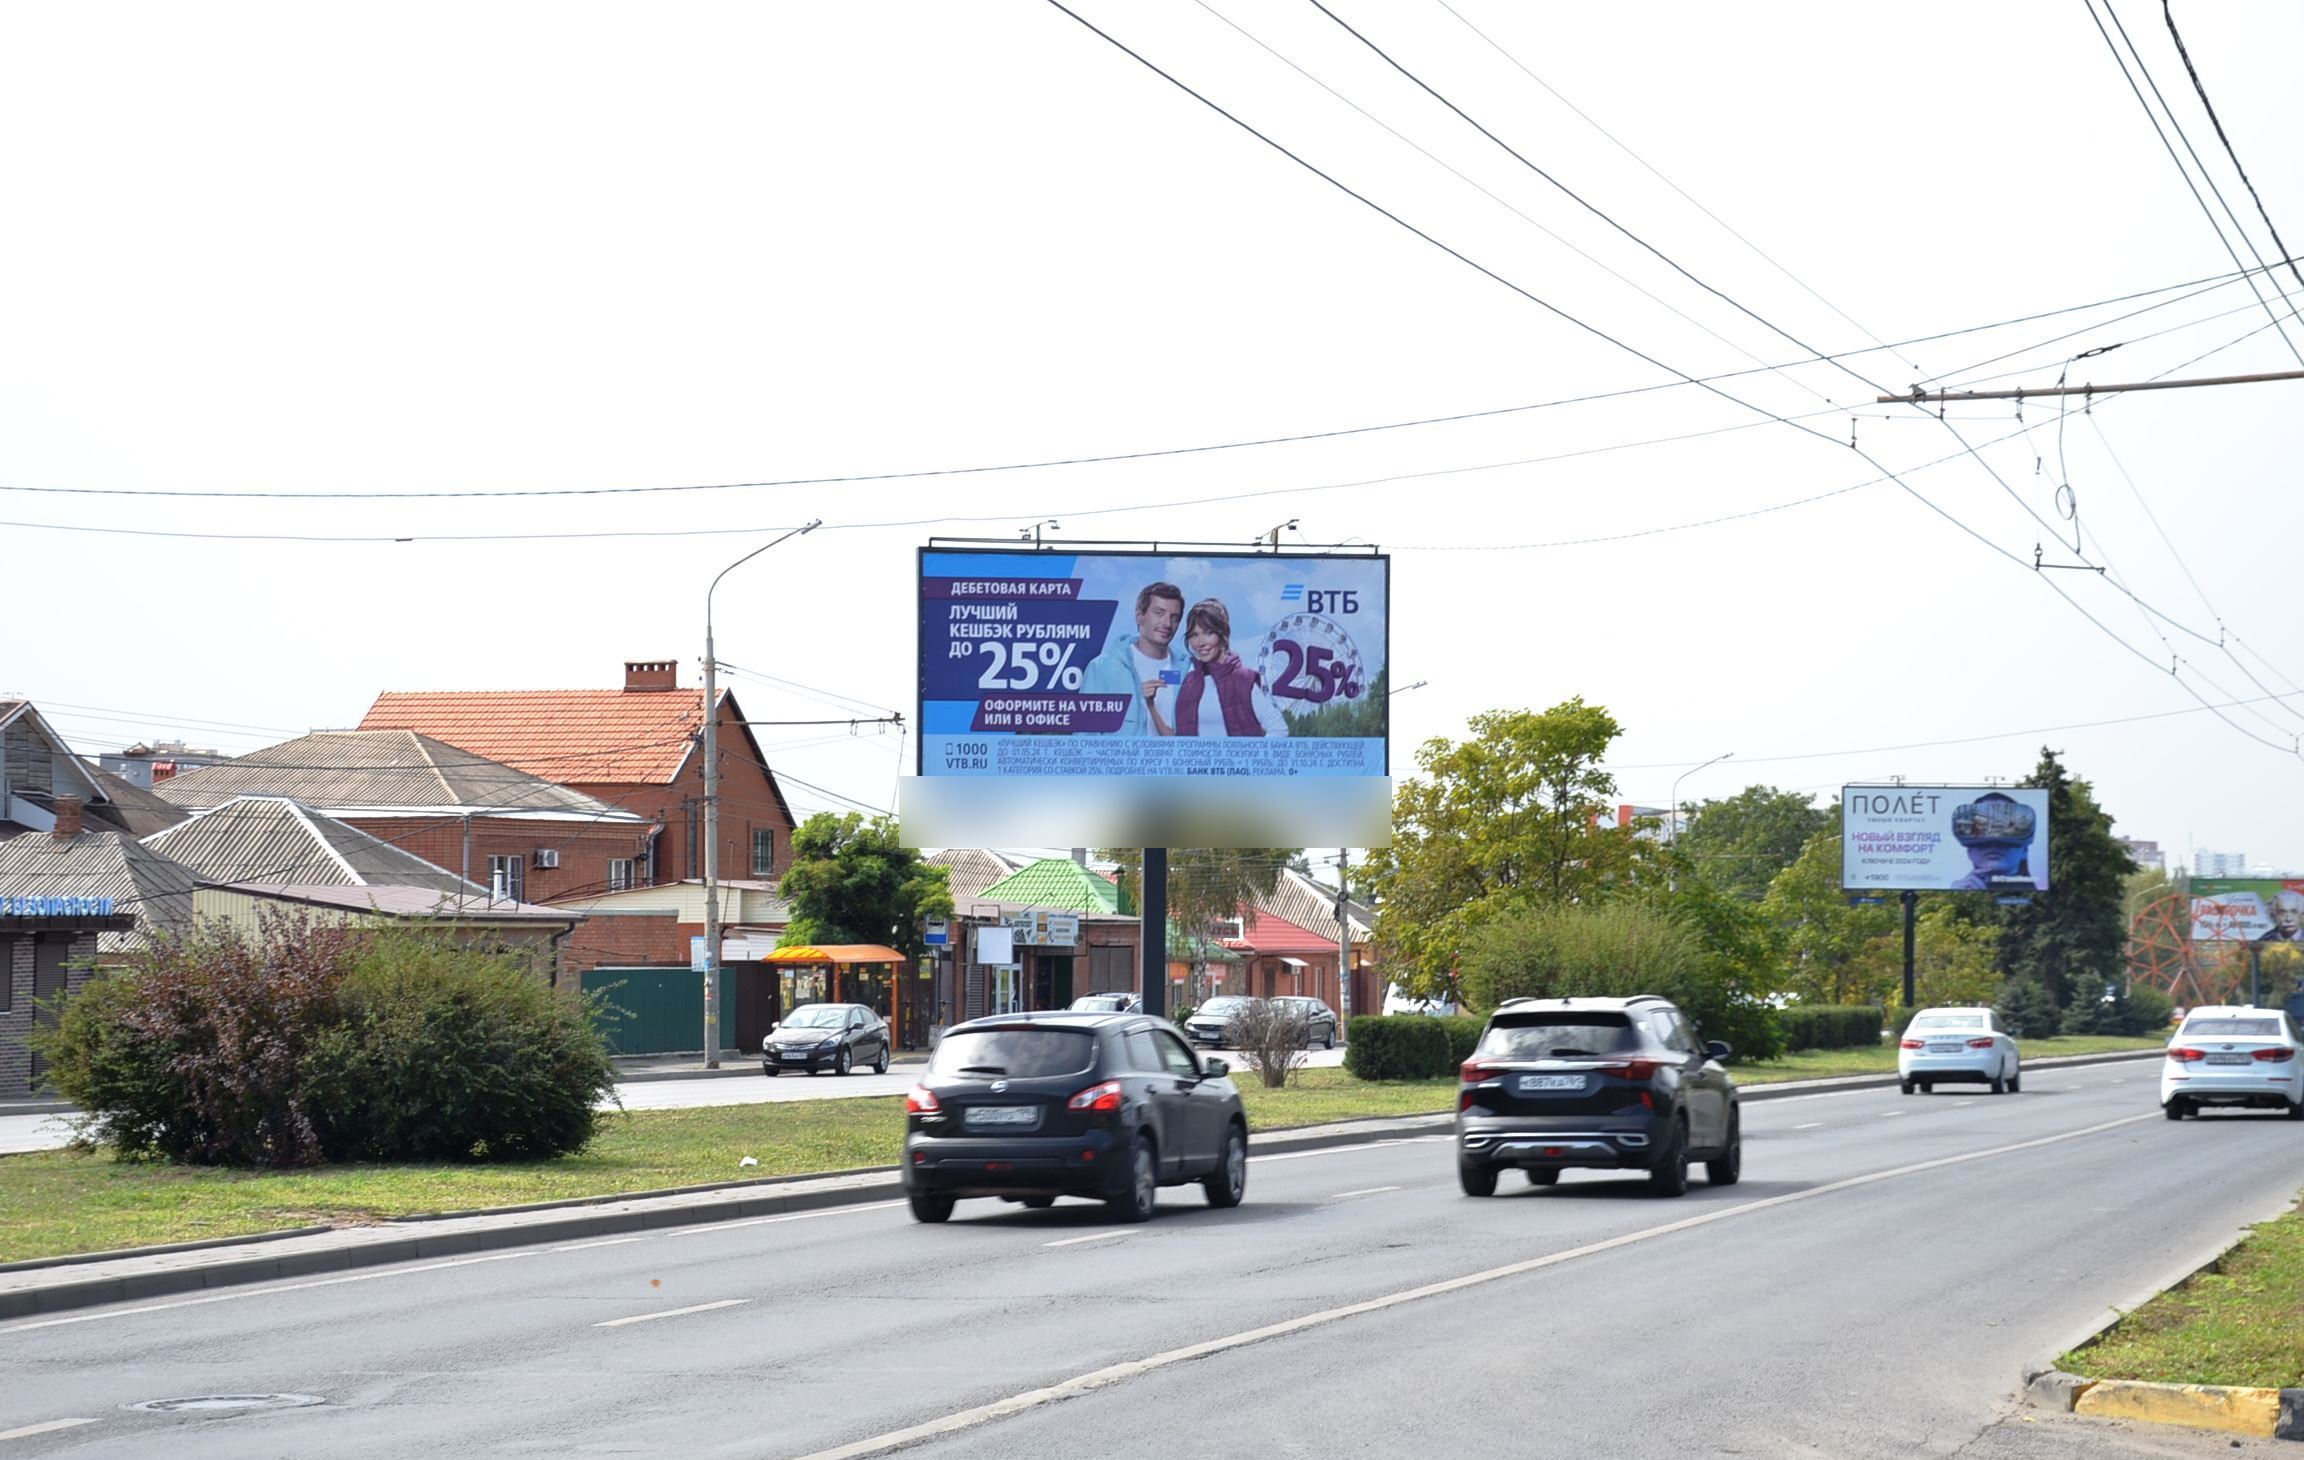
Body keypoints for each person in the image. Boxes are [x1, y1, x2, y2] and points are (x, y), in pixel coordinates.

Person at [1165, 597, 1290, 738]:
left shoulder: (1243, 679)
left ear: (1223, 634)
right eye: (1194, 635)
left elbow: (1279, 729)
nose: (1200, 643)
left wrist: (1252, 759)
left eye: (1208, 633)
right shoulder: (1189, 682)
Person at [1078, 581, 1190, 736]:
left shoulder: (1188, 670)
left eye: (1174, 617)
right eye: (1159, 613)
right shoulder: (1102, 668)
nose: (1167, 623)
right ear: (1139, 616)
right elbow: (1086, 737)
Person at [1948, 792, 2039, 891]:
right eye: (1980, 827)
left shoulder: (2039, 901)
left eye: (2007, 826)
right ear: (1969, 851)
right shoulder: (1958, 891)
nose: (1993, 844)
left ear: (2024, 851)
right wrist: (1956, 895)